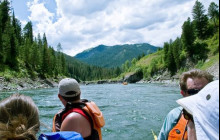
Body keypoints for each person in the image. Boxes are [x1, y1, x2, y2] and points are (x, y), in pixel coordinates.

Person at [158, 69, 214, 140]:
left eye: (205, 90)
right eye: (193, 92)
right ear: (183, 94)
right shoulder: (174, 116)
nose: (200, 96)